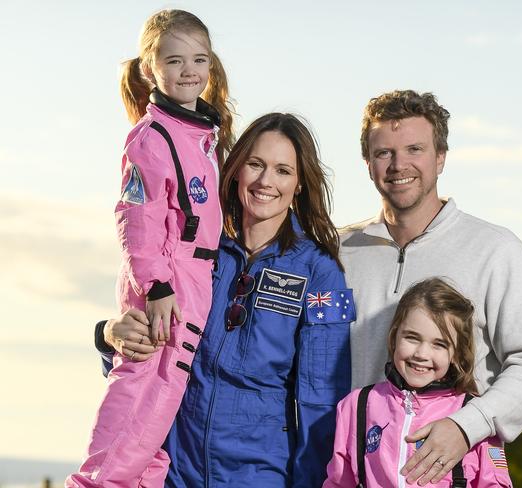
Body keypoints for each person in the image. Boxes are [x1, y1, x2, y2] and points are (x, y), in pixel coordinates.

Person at [96, 113, 354, 487]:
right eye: (256, 164)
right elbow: (144, 362)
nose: (266, 181)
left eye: (283, 170)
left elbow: (324, 401)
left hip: (261, 473)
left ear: (300, 184)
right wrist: (107, 336)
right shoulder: (193, 252)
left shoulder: (323, 273)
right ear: (235, 170)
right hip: (172, 470)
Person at [339, 90, 522, 485]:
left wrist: (466, 426)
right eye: (384, 152)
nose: (398, 165)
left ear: (440, 157)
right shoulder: (337, 251)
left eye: (415, 149)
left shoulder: (496, 250)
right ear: (367, 162)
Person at [67, 10, 234, 488]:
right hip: (166, 281)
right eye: (175, 60)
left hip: (194, 279)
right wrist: (157, 285)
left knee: (160, 417)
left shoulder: (200, 134)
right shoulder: (151, 137)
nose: (189, 71)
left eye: (199, 60)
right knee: (141, 402)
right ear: (149, 68)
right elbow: (137, 217)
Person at [324, 278, 513, 487]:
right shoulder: (356, 405)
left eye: (439, 344)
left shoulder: (472, 414)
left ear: (456, 354)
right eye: (412, 338)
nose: (422, 354)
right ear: (394, 336)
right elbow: (339, 481)